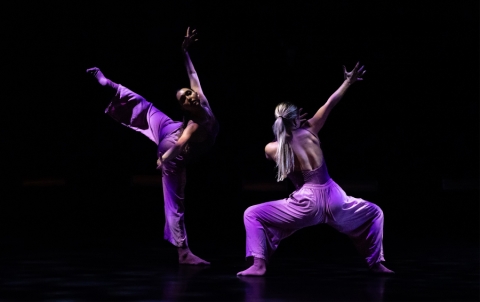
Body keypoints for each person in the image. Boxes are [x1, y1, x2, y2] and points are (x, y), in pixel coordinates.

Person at [237, 62, 394, 276]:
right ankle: (376, 264)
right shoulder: (311, 129)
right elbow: (330, 103)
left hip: (307, 205)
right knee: (375, 212)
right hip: (335, 198)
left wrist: (288, 131)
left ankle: (259, 265)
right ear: (296, 118)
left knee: (252, 214)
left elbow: (278, 151)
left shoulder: (273, 147)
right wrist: (348, 81)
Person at [86, 27, 218, 265]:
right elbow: (180, 144)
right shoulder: (195, 124)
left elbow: (193, 74)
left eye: (188, 94)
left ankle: (109, 84)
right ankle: (183, 252)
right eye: (184, 99)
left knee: (146, 109)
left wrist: (184, 51)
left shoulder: (200, 101)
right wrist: (165, 158)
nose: (189, 96)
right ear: (185, 109)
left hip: (170, 129)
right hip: (173, 145)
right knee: (174, 200)